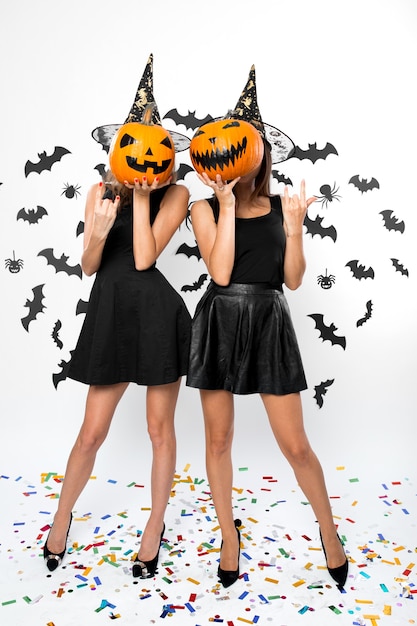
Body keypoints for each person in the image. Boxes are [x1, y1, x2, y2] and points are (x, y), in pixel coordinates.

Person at [186, 66, 348, 589]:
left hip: (269, 320)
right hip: (220, 319)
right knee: (219, 441)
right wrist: (228, 206)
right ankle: (229, 537)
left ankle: (329, 531)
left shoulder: (283, 206)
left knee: (296, 445)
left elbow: (294, 282)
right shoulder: (202, 208)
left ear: (257, 154)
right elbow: (220, 272)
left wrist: (296, 230)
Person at [43, 55, 192, 580]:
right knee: (91, 433)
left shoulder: (177, 193)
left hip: (156, 314)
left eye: (158, 148)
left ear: (168, 155)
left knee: (159, 429)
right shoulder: (99, 192)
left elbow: (148, 258)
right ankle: (61, 518)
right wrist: (101, 229)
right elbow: (89, 267)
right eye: (136, 147)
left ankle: (155, 524)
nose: (147, 156)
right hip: (110, 312)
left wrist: (146, 200)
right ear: (118, 149)